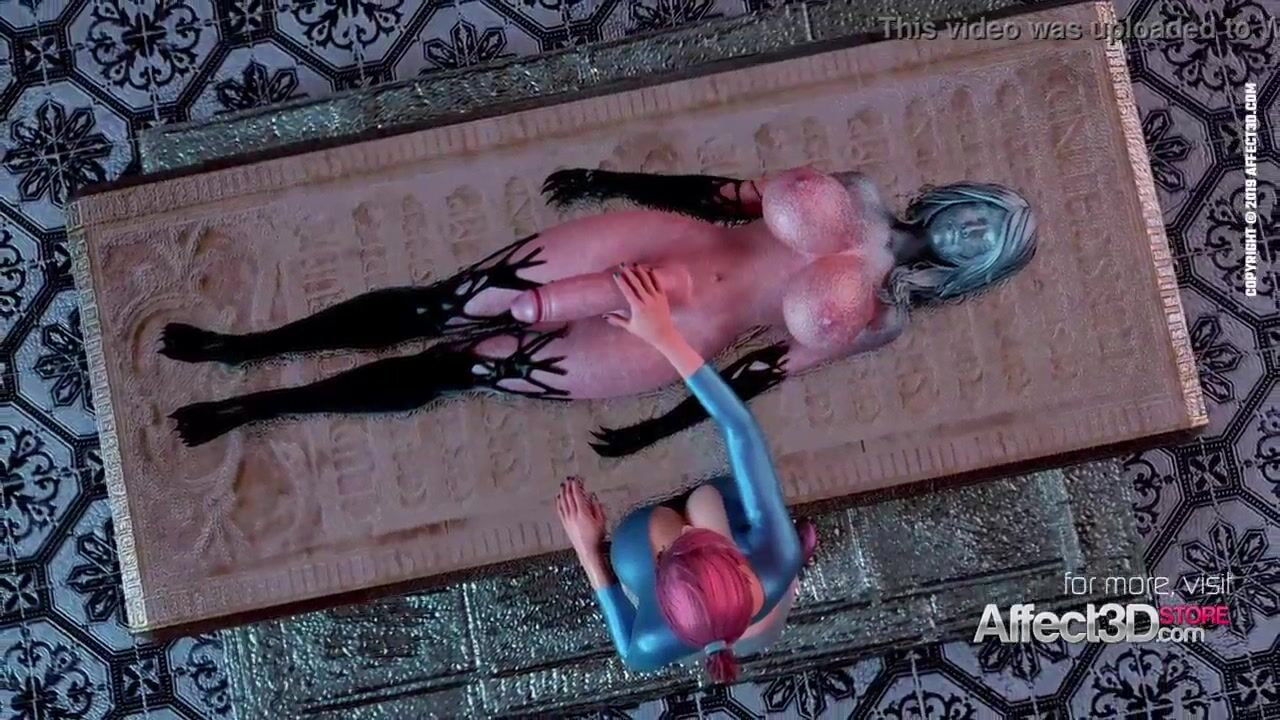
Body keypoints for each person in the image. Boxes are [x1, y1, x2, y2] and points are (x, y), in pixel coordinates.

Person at [161, 167, 1037, 449]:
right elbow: (731, 195)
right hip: (667, 243)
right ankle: (245, 345)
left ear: (979, 269)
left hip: (680, 336)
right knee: (446, 304)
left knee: (463, 368)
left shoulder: (882, 320)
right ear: (967, 199)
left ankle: (262, 406)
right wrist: (613, 180)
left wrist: (662, 429)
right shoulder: (860, 190)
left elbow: (762, 372)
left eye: (983, 244)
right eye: (980, 218)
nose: (966, 234)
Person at [555, 264, 818, 681]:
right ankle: (737, 549)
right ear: (739, 565)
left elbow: (627, 652)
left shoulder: (654, 640)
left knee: (638, 545)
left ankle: (684, 552)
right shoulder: (775, 557)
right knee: (711, 503)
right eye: (702, 541)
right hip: (741, 530)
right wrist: (665, 336)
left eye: (669, 553)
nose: (685, 532)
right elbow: (740, 428)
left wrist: (587, 547)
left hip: (651, 552)